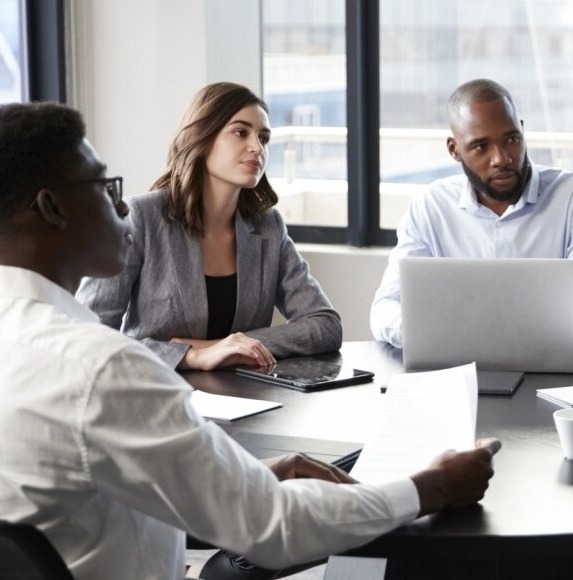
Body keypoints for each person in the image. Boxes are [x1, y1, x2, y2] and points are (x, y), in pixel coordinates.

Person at [0, 100, 501, 579]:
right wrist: (431, 487)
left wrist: (251, 472)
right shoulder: (102, 368)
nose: (122, 209)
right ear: (51, 208)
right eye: (105, 188)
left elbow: (101, 477)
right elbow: (271, 527)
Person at [76, 82, 341, 371]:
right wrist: (190, 355)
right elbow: (89, 337)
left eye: (263, 138)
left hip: (248, 400)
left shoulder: (268, 227)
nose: (257, 147)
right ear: (202, 137)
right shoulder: (141, 217)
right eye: (241, 133)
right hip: (157, 395)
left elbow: (325, 325)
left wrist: (230, 345)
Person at [369, 78, 573, 347]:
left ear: (522, 131)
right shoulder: (430, 206)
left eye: (511, 139)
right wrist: (420, 331)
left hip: (553, 379)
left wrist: (448, 332)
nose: (501, 158)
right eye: (481, 146)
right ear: (454, 150)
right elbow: (385, 309)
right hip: (455, 373)